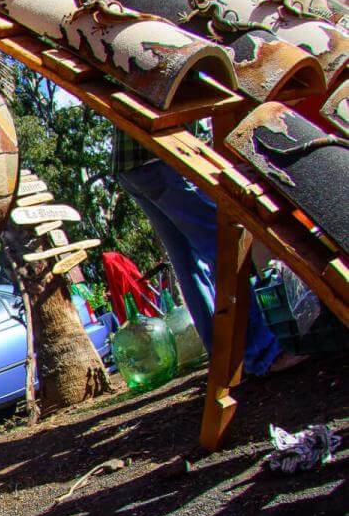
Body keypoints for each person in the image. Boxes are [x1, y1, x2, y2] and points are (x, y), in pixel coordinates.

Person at [111, 129, 305, 376]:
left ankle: (225, 361)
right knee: (225, 245)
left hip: (133, 166)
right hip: (159, 155)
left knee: (191, 266)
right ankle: (263, 354)